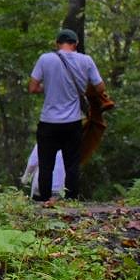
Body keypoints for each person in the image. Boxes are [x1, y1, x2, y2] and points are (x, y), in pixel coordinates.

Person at [28, 28, 105, 202]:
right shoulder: (86, 60)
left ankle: (44, 201)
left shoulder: (45, 59)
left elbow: (32, 87)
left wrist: (49, 87)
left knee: (46, 163)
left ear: (57, 44)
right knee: (71, 163)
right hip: (73, 122)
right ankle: (71, 199)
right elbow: (100, 88)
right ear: (76, 44)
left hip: (48, 122)